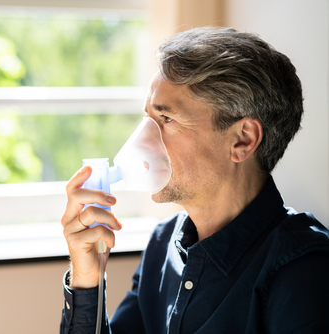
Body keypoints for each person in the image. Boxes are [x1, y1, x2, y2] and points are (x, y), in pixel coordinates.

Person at [59, 27, 329, 334]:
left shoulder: (304, 269)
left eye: (167, 119)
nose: (143, 142)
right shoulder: (163, 245)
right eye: (147, 120)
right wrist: (86, 276)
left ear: (243, 139)